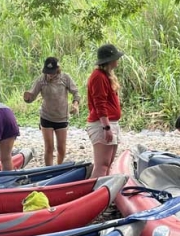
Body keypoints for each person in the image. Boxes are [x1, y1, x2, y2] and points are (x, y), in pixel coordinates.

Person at [23, 57, 81, 166]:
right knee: (49, 147)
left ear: (58, 70)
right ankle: (48, 169)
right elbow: (32, 95)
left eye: (52, 72)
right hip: (46, 117)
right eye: (48, 72)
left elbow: (76, 92)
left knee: (61, 148)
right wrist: (27, 97)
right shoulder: (41, 80)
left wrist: (75, 104)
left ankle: (59, 167)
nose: (50, 74)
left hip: (61, 117)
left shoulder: (65, 78)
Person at [87, 44, 124, 178]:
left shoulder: (106, 75)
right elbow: (99, 103)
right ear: (109, 60)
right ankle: (93, 194)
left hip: (111, 122)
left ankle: (103, 192)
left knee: (107, 164)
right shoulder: (98, 76)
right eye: (115, 58)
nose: (117, 60)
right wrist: (106, 127)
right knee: (102, 165)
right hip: (102, 124)